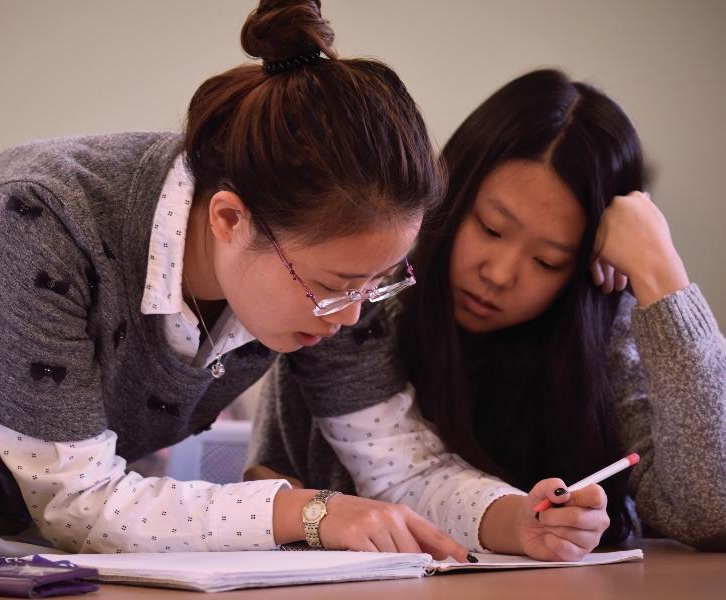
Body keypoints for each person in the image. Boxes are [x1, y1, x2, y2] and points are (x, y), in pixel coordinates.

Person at [0, 0, 475, 560]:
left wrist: (517, 518)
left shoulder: (326, 266)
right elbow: (79, 505)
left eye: (380, 284)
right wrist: (313, 513)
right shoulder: (42, 219)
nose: (352, 317)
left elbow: (400, 465)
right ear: (229, 217)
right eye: (339, 285)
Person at [246, 69, 726, 558]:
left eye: (548, 261)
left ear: (583, 271)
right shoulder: (361, 298)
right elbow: (389, 478)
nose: (499, 274)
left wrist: (664, 280)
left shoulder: (605, 332)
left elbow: (711, 512)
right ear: (450, 195)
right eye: (492, 228)